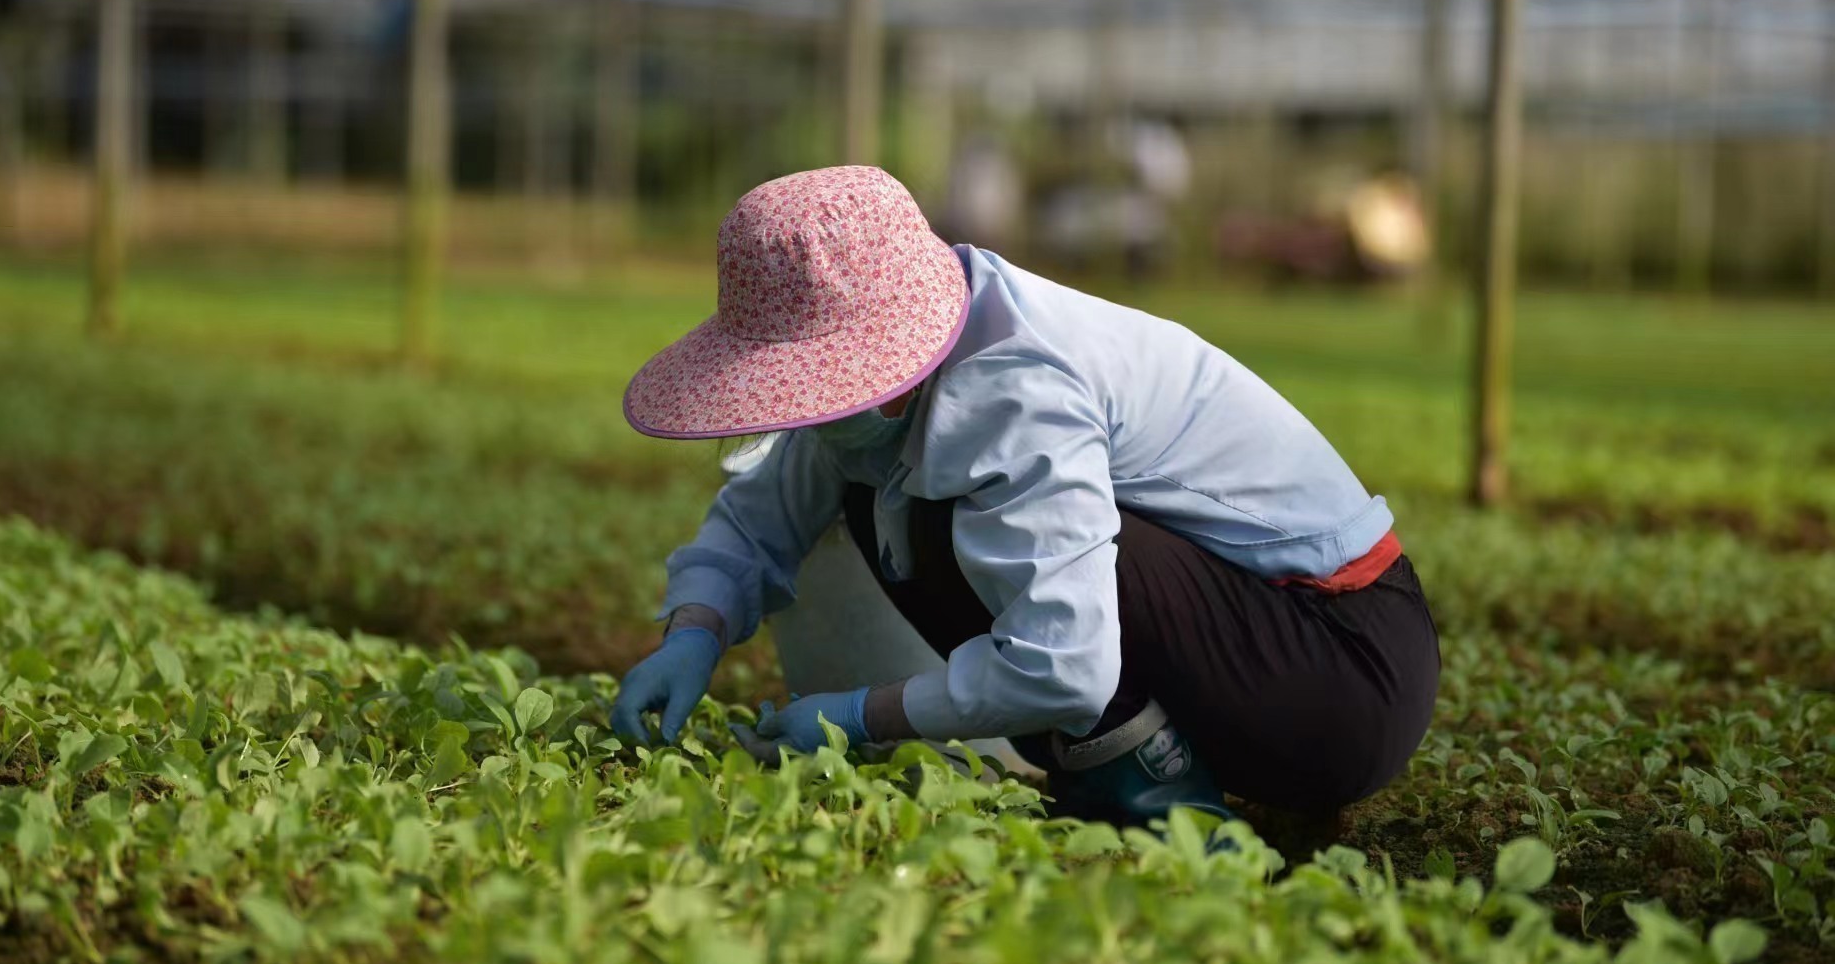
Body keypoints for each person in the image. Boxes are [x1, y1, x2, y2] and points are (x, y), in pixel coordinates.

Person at [611, 165, 1439, 827]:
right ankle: (1120, 761)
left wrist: (862, 716)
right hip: (1269, 639)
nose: (810, 413)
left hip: (1339, 668)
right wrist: (696, 629)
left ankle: (1153, 793)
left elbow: (1066, 667)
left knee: (932, 520)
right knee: (879, 494)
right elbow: (762, 514)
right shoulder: (902, 388)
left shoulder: (1013, 388)